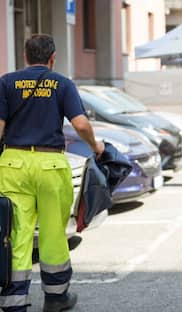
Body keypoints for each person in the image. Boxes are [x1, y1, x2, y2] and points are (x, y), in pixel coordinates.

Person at [0, 34, 104, 312]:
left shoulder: (6, 82)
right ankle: (56, 298)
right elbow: (80, 124)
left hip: (12, 165)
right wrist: (95, 146)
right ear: (52, 58)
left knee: (16, 234)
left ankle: (13, 303)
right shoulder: (62, 84)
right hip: (50, 165)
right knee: (53, 233)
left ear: (25, 56)